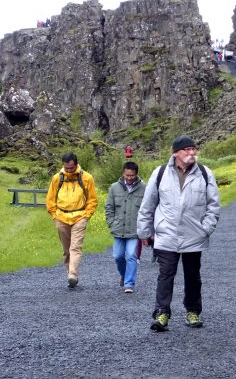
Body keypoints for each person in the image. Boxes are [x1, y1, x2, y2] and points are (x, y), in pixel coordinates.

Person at [137, 135, 221, 332]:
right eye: (187, 150)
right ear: (175, 152)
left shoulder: (205, 173)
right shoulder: (160, 173)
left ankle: (193, 312)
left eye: (194, 149)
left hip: (194, 235)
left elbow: (214, 205)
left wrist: (205, 229)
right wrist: (144, 232)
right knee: (165, 275)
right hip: (167, 234)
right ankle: (162, 313)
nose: (192, 153)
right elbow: (148, 204)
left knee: (193, 275)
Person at [45, 152, 98, 288]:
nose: (69, 170)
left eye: (71, 168)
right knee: (66, 249)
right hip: (61, 217)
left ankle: (73, 274)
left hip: (80, 216)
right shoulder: (57, 178)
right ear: (63, 165)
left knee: (75, 246)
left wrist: (87, 215)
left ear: (76, 164)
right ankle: (70, 274)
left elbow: (92, 199)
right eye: (66, 168)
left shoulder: (87, 178)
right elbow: (50, 199)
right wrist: (54, 215)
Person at [105, 161, 146, 293]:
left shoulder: (144, 188)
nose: (129, 178)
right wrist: (111, 223)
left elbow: (148, 209)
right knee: (118, 256)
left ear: (136, 174)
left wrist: (145, 227)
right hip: (118, 229)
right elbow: (109, 207)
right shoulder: (114, 188)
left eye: (132, 175)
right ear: (123, 173)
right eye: (127, 175)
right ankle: (124, 275)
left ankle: (129, 283)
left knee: (131, 255)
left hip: (135, 231)